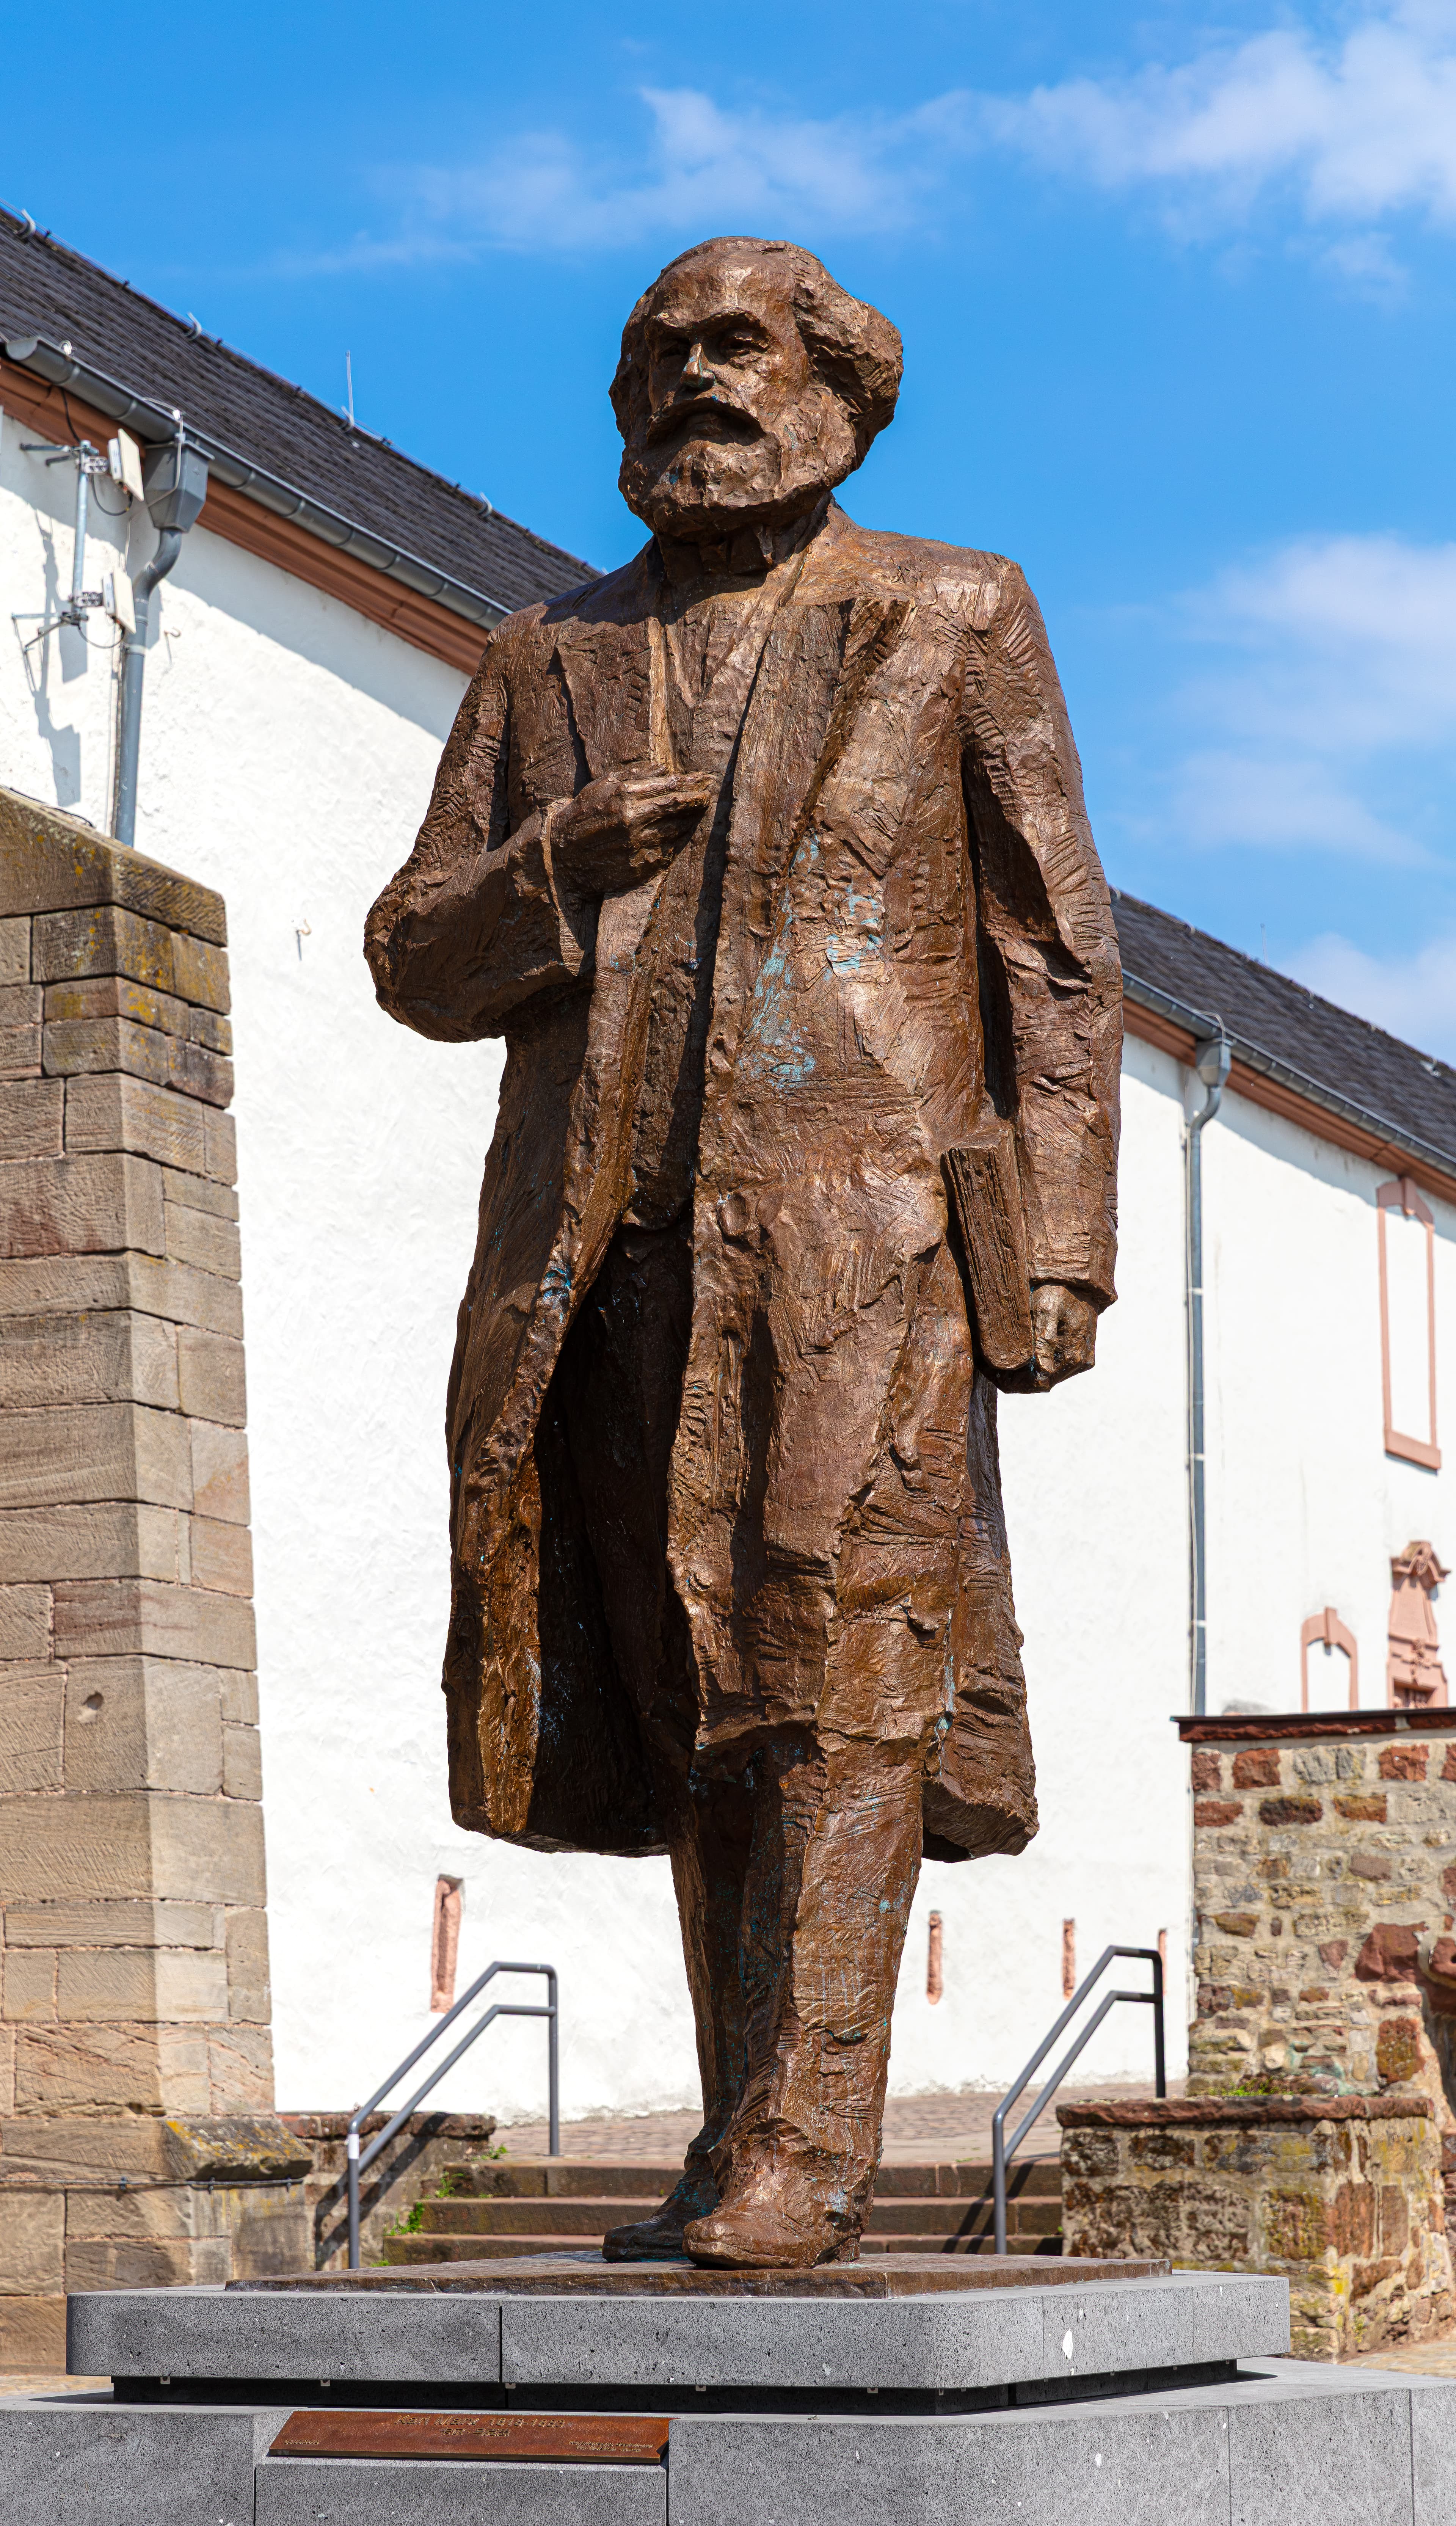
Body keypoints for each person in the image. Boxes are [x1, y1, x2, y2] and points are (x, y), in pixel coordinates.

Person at [365, 235, 1121, 2269]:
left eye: (736, 347)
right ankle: (738, 2134)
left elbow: (1054, 952)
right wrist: (555, 864)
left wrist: (1058, 1251)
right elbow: (411, 953)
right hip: (606, 1256)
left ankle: (806, 2135)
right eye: (659, 356)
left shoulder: (954, 611)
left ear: (837, 388)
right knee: (694, 1679)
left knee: (839, 1659)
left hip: (864, 1245)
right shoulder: (542, 656)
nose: (695, 382)